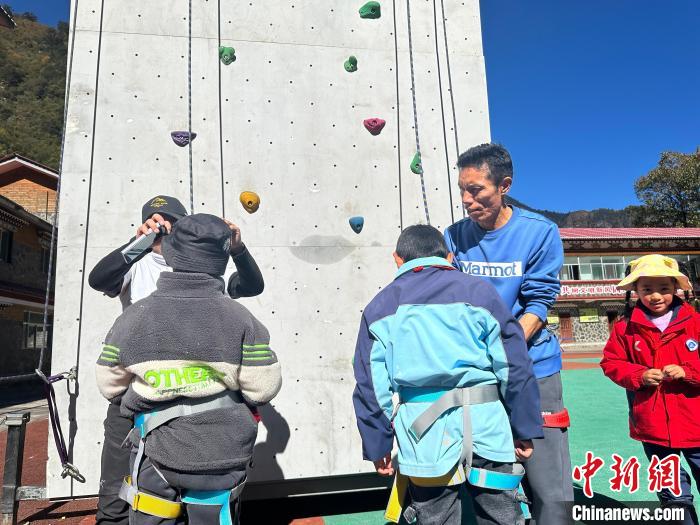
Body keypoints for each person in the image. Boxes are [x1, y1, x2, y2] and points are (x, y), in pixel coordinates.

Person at [95, 213, 282, 525]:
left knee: (149, 512)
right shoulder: (243, 319)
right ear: (221, 259)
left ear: (170, 250)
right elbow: (262, 389)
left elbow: (109, 384)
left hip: (156, 451)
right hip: (222, 456)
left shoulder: (132, 318)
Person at [352, 224, 543, 525]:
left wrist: (378, 442)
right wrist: (524, 426)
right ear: (449, 257)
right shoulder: (481, 293)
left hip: (424, 437)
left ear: (397, 259)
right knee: (502, 516)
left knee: (435, 517)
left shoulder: (380, 307)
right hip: (487, 427)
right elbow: (514, 365)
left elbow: (370, 386)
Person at [443, 143, 573, 524]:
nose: (466, 200)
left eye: (476, 190)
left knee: (548, 485)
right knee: (493, 482)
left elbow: (538, 304)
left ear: (504, 186)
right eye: (462, 190)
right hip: (478, 376)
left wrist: (504, 350)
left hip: (533, 369)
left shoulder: (540, 232)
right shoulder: (453, 237)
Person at [601, 254, 700, 525]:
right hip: (653, 426)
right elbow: (611, 363)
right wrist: (639, 375)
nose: (655, 296)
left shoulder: (695, 323)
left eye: (664, 288)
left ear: (676, 287)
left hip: (696, 424)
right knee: (673, 492)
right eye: (646, 289)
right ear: (635, 290)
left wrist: (688, 371)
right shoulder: (625, 328)